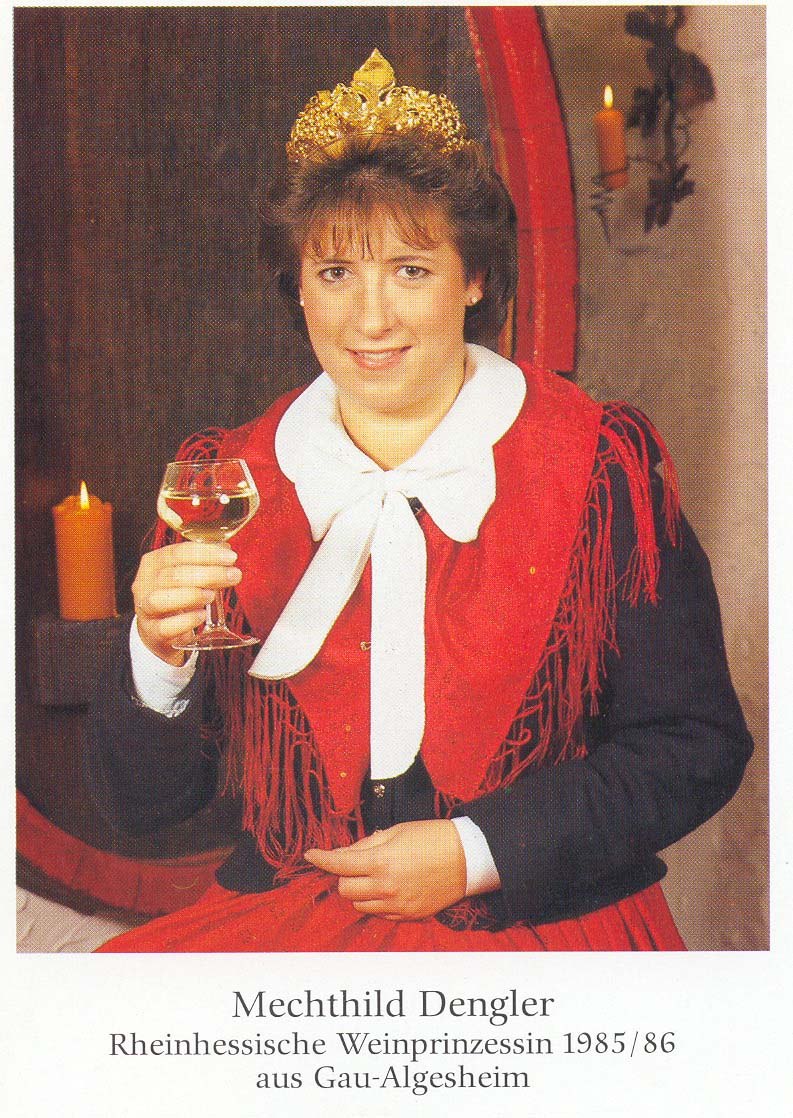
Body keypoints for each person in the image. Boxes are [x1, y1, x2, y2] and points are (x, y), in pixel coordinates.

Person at [88, 51, 752, 952]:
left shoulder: (601, 469)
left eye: (409, 270)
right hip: (287, 924)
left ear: (473, 278)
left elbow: (695, 746)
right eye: (335, 274)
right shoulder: (226, 482)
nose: (370, 320)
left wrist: (481, 850)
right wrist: (156, 658)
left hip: (539, 924)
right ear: (296, 284)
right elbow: (141, 807)